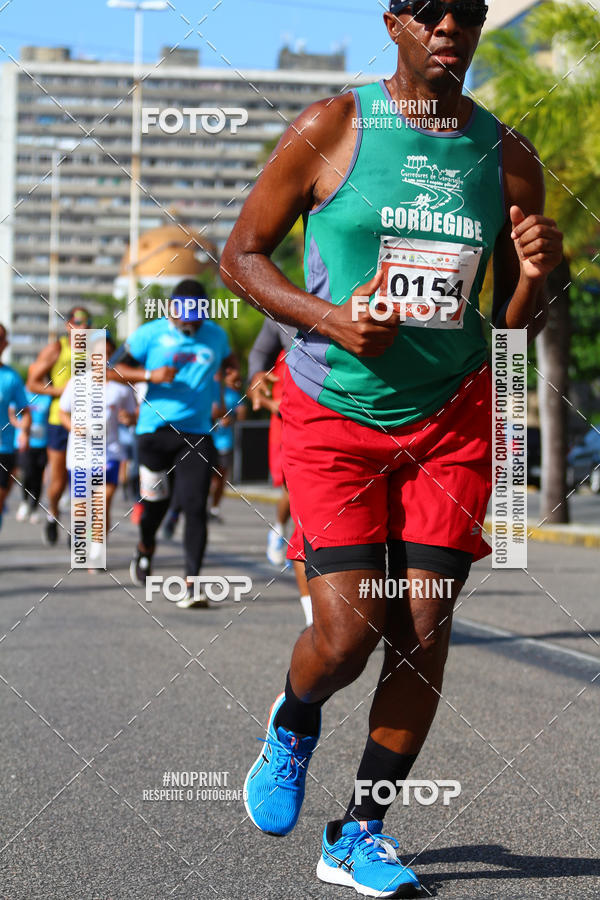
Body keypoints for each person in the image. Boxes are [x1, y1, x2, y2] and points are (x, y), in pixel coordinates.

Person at [221, 2, 563, 895]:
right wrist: (332, 317)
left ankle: (360, 832)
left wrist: (538, 280)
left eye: (469, 11)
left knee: (421, 632)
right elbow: (242, 257)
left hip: (449, 417)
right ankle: (295, 722)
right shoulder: (332, 126)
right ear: (396, 20)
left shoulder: (504, 152)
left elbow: (511, 333)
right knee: (346, 636)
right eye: (432, 9)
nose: (451, 25)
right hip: (335, 413)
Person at [109, 279, 239, 609]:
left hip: (196, 433)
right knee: (156, 505)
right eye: (185, 319)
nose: (191, 325)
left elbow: (228, 363)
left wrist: (226, 387)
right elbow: (109, 369)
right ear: (172, 310)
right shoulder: (149, 335)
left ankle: (192, 583)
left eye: (197, 319)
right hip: (153, 432)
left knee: (195, 505)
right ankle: (145, 547)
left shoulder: (216, 335)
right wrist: (149, 377)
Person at [247, 318, 313, 626]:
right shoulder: (285, 310)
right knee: (296, 498)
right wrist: (256, 378)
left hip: (352, 416)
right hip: (294, 420)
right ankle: (314, 619)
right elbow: (258, 357)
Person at [59, 330, 137, 567]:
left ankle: (98, 549)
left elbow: (134, 414)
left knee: (102, 502)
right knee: (82, 505)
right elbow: (63, 412)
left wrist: (128, 417)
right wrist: (74, 427)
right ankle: (80, 534)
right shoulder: (77, 383)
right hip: (80, 454)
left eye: (108, 353)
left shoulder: (120, 387)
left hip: (110, 453)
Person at [27, 306, 92, 545]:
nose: (83, 327)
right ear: (68, 325)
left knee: (83, 478)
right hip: (59, 420)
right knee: (58, 480)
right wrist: (58, 390)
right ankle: (53, 513)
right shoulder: (56, 349)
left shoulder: (95, 350)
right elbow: (32, 382)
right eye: (78, 322)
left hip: (87, 421)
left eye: (87, 322)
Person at [0, 325, 31, 531]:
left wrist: (25, 433)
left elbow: (25, 411)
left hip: (4, 449)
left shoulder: (11, 377)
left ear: (5, 344)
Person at [209, 369, 246, 521]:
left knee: (220, 478)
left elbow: (242, 414)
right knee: (205, 477)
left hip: (225, 442)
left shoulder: (231, 393)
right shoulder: (206, 391)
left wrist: (231, 418)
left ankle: (214, 509)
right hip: (206, 440)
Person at [14, 388, 52, 524]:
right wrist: (20, 426)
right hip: (25, 443)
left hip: (43, 443)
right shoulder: (23, 393)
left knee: (38, 477)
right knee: (27, 474)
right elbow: (12, 412)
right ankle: (25, 502)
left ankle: (34, 507)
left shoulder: (48, 397)